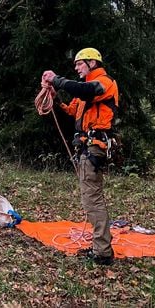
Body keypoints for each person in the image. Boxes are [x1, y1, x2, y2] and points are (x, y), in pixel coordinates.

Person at [41, 47, 118, 266]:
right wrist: (55, 98)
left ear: (92, 63)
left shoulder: (104, 83)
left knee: (92, 199)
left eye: (79, 63)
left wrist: (56, 79)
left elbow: (85, 90)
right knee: (91, 198)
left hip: (94, 149)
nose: (76, 68)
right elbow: (71, 110)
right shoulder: (85, 93)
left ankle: (102, 251)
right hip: (86, 148)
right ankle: (101, 245)